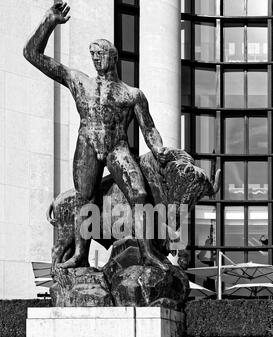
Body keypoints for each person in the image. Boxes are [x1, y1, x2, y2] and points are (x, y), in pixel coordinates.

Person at [24, 1, 174, 270]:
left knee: (139, 195)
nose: (95, 58)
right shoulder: (79, 81)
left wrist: (160, 150)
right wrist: (49, 22)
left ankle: (148, 252)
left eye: (100, 53)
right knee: (85, 200)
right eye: (92, 53)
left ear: (113, 58)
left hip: (118, 147)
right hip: (87, 146)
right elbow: (32, 54)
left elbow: (149, 129)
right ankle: (81, 255)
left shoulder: (132, 94)